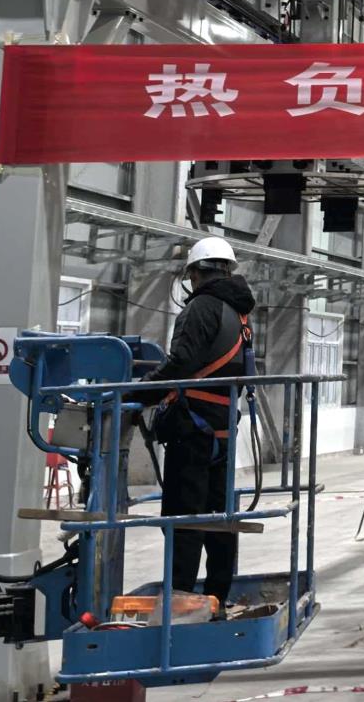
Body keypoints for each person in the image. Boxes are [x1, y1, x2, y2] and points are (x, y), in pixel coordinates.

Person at [145, 235, 257, 604]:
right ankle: (216, 597)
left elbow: (181, 363)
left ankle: (179, 602)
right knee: (219, 517)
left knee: (184, 519)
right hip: (222, 431)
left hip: (192, 431)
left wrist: (138, 393)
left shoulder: (201, 308)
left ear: (194, 273)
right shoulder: (239, 314)